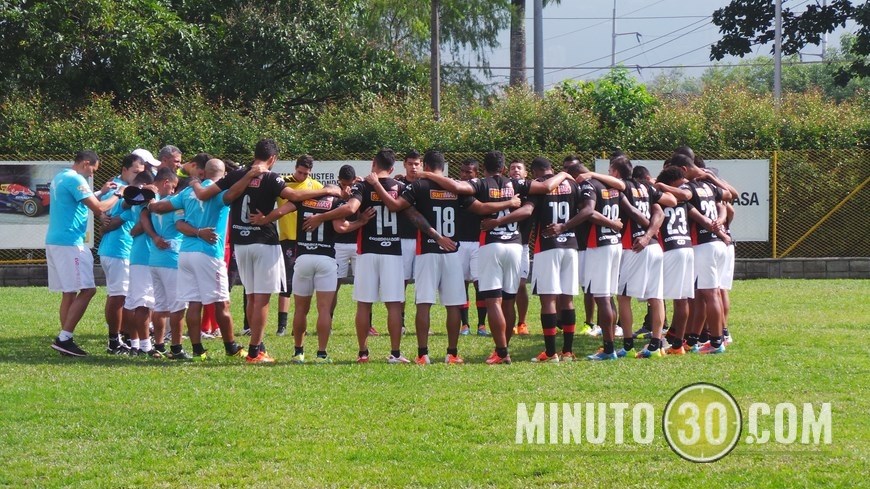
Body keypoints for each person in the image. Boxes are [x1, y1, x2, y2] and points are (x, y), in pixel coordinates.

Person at [191, 140, 339, 363]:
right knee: (262, 299)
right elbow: (296, 197)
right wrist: (328, 189)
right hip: (264, 242)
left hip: (241, 242)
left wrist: (192, 181)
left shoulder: (238, 174)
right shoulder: (271, 177)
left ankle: (258, 345)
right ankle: (255, 352)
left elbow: (209, 194)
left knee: (251, 296)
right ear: (272, 159)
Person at [418, 151, 571, 364]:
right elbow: (545, 187)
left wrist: (428, 175)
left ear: (484, 167)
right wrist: (563, 173)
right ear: (503, 167)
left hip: (492, 245)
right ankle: (502, 349)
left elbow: (455, 187)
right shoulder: (516, 184)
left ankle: (501, 352)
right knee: (509, 300)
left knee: (493, 301)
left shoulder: (481, 184)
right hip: (516, 245)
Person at [368, 150, 517, 365]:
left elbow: (396, 206)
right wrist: (509, 203)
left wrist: (376, 185)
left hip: (427, 251)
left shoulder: (418, 186)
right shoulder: (453, 186)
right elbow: (481, 208)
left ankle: (422, 354)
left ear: (426, 166)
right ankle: (452, 353)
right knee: (454, 305)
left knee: (424, 304)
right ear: (443, 167)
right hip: (452, 251)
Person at [252, 185, 371, 364]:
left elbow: (281, 211)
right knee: (323, 309)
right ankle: (321, 354)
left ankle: (298, 352)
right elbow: (341, 228)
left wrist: (264, 219)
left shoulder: (303, 200)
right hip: (326, 259)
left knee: (300, 309)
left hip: (304, 258)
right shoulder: (336, 202)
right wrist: (360, 222)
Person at [148, 158, 249, 361]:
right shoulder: (219, 191)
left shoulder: (186, 192)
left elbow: (161, 209)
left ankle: (197, 350)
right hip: (209, 253)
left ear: (203, 173)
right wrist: (249, 175)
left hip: (185, 252)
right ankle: (231, 347)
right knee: (222, 302)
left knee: (194, 302)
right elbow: (234, 193)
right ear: (223, 174)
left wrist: (150, 203)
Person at [47, 150, 122, 356]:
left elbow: (79, 199)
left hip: (56, 241)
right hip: (70, 243)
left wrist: (100, 190)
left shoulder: (61, 176)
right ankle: (64, 338)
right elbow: (98, 208)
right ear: (86, 163)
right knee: (88, 290)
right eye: (92, 170)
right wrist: (117, 194)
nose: (91, 175)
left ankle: (65, 339)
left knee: (69, 292)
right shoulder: (75, 179)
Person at [607, 155, 675, 359]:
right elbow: (666, 206)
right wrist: (649, 235)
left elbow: (617, 186)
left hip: (634, 247)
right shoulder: (647, 188)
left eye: (610, 171)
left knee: (623, 296)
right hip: (654, 247)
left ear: (616, 173)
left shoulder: (623, 186)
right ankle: (656, 345)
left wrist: (590, 174)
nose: (608, 175)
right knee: (656, 297)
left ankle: (627, 346)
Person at [667, 154, 732, 355]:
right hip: (717, 243)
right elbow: (727, 197)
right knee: (707, 294)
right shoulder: (708, 185)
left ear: (683, 170)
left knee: (710, 294)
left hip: (703, 244)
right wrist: (720, 225)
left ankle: (716, 342)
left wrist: (660, 187)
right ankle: (700, 339)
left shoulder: (688, 188)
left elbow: (683, 198)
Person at [97, 153, 145, 354]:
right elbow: (105, 211)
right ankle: (113, 341)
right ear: (124, 169)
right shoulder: (117, 187)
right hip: (117, 248)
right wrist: (103, 217)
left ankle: (123, 337)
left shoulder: (130, 187)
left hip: (123, 248)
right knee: (117, 296)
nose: (138, 176)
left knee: (123, 296)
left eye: (141, 173)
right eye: (135, 171)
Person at [275, 155, 323, 336]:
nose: (302, 176)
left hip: (308, 240)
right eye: (299, 172)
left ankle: (300, 325)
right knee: (286, 282)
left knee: (306, 284)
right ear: (295, 168)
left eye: (305, 173)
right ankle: (282, 325)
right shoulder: (284, 183)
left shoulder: (315, 186)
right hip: (287, 238)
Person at [140, 168, 185, 358]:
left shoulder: (151, 203)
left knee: (160, 306)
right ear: (166, 182)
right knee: (178, 306)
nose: (174, 191)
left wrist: (154, 236)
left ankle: (158, 346)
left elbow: (143, 217)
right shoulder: (172, 204)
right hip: (172, 256)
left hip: (155, 258)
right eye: (173, 187)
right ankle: (176, 347)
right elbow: (180, 225)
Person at [653, 166, 695, 356]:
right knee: (682, 298)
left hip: (670, 249)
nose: (684, 185)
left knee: (658, 295)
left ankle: (660, 341)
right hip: (686, 247)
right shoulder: (683, 199)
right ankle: (677, 343)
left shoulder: (662, 198)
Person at [453, 158, 485, 336]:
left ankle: (482, 324)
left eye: (469, 172)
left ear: (476, 174)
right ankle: (465, 324)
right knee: (461, 283)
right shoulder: (455, 190)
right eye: (463, 171)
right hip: (459, 242)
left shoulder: (481, 189)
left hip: (478, 242)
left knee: (480, 284)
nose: (464, 175)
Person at [331, 165, 360, 319]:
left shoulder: (360, 190)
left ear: (355, 180)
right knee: (334, 284)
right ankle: (327, 320)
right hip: (338, 244)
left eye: (350, 184)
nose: (347, 188)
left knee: (362, 284)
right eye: (344, 184)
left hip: (358, 243)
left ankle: (367, 324)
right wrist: (342, 197)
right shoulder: (334, 192)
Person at [508, 159, 532, 336]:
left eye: (519, 168)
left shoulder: (531, 190)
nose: (515, 170)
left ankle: (522, 322)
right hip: (504, 242)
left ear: (526, 174)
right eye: (512, 168)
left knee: (521, 284)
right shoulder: (504, 189)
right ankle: (505, 322)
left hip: (522, 244)